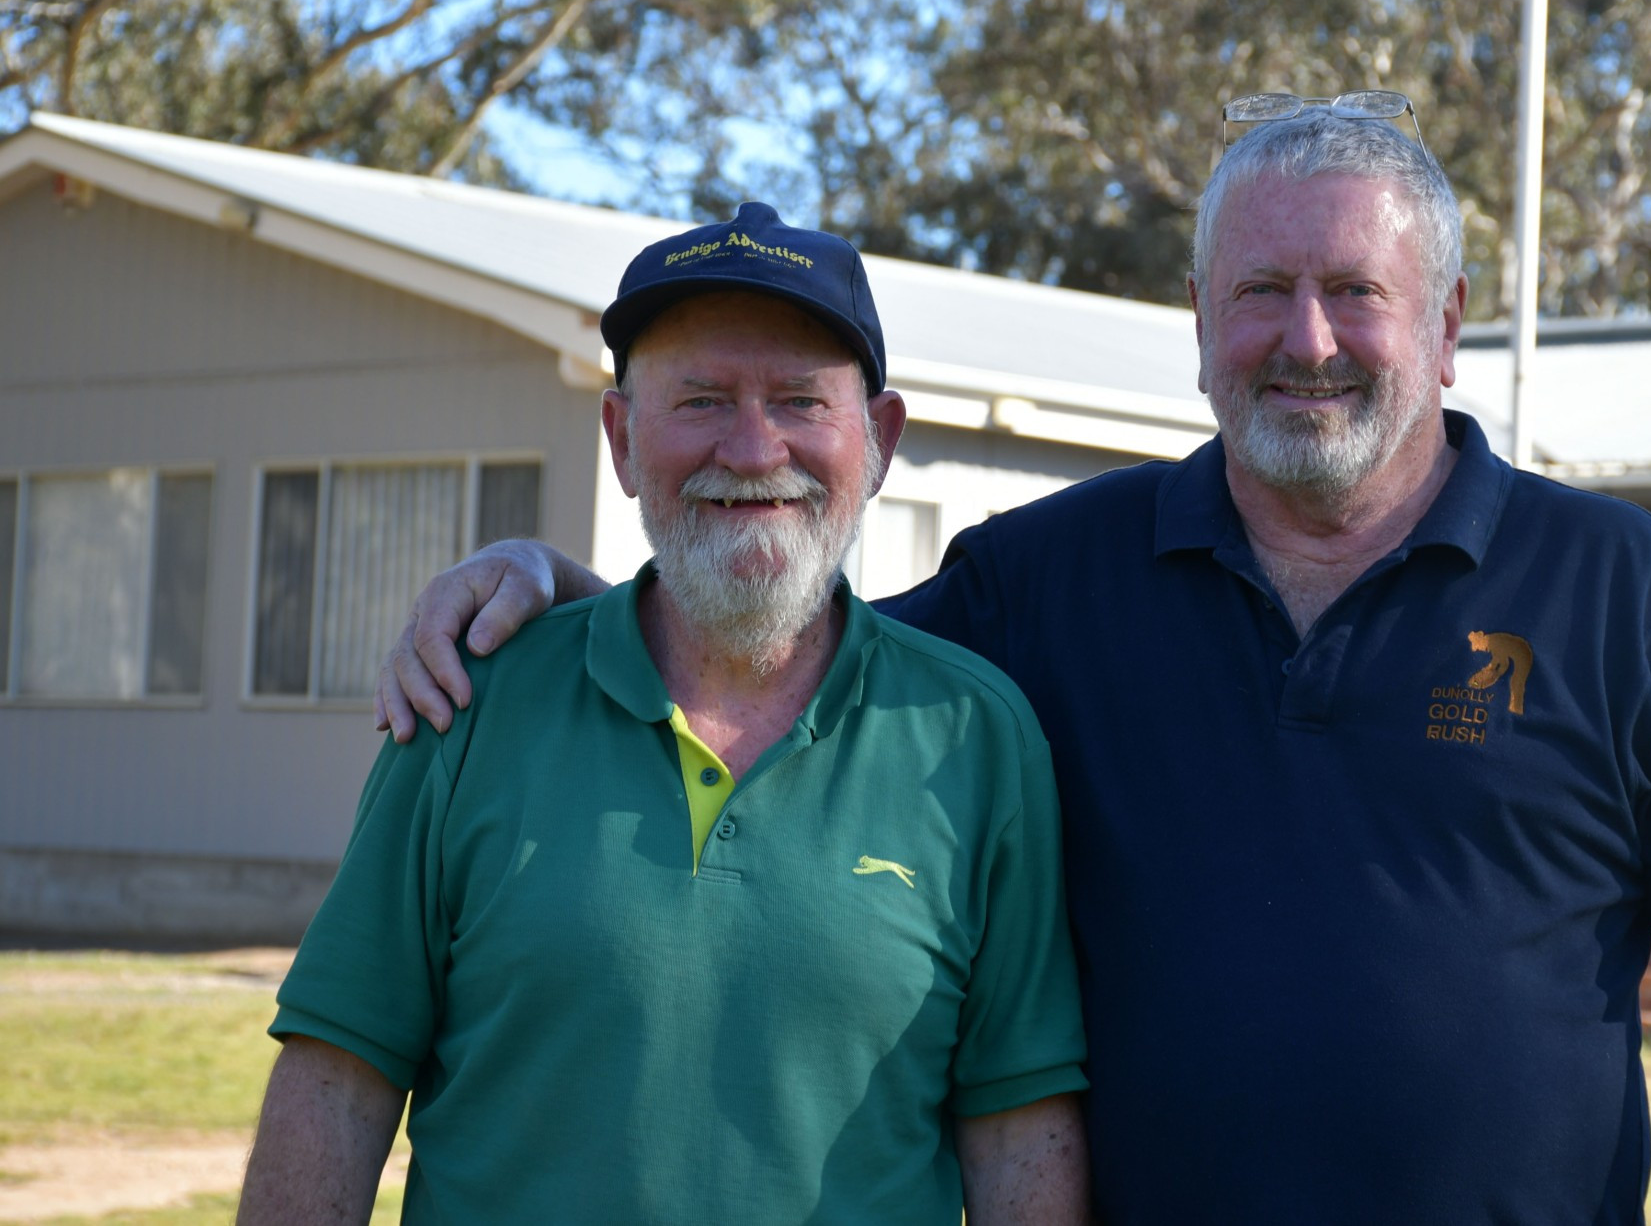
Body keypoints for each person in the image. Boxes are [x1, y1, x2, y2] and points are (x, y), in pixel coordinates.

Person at [377, 109, 1651, 1223]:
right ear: (1201, 329)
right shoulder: (1047, 578)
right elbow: (796, 655)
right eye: (1259, 291)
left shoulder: (1630, 594)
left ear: (1446, 328)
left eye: (1356, 291)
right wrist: (563, 587)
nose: (1306, 338)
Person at [241, 204, 1090, 1225]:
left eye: (797, 400)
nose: (749, 446)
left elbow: (1018, 1124)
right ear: (620, 439)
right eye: (699, 399)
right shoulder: (469, 701)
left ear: (878, 439)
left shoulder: (974, 735)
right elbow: (337, 1076)